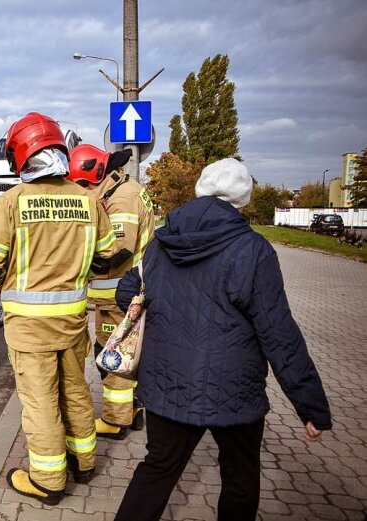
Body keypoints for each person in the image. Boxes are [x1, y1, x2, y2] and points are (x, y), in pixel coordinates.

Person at [113, 158, 332, 521]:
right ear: (243, 199)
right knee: (240, 476)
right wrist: (310, 405)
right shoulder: (253, 250)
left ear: (199, 189)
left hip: (168, 383)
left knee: (158, 470)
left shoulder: (162, 242)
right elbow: (279, 333)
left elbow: (127, 294)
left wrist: (165, 313)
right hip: (235, 390)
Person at [0, 112, 120, 505]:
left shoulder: (12, 202)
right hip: (73, 322)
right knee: (75, 390)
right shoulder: (88, 200)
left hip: (29, 329)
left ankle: (48, 480)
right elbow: (107, 260)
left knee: (40, 402)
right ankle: (85, 463)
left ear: (21, 155)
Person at [67, 144, 155, 440]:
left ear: (99, 175)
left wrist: (77, 263)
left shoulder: (122, 200)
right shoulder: (121, 191)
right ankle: (133, 409)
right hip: (123, 295)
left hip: (120, 297)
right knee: (125, 354)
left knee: (113, 356)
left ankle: (115, 420)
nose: (82, 191)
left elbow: (118, 252)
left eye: (83, 185)